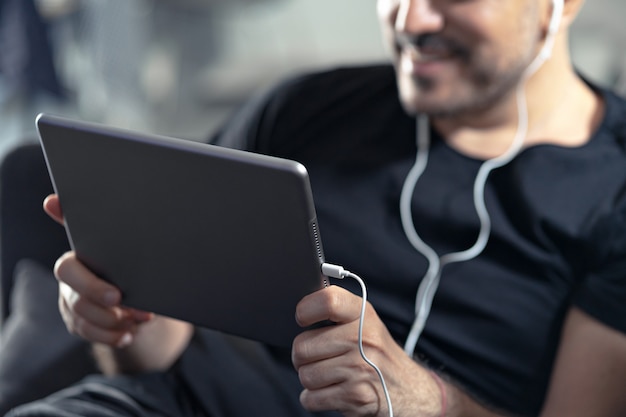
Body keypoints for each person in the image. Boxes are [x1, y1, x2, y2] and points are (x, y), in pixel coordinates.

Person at [7, 0, 626, 416]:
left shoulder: (613, 188)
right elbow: (155, 358)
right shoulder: (305, 108)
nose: (410, 18)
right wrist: (122, 315)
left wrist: (424, 401)